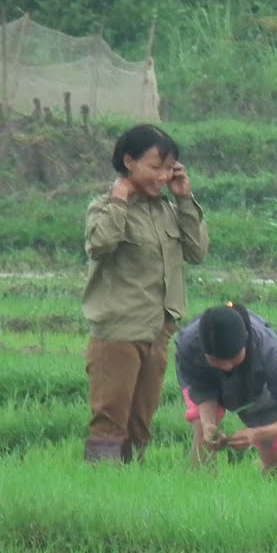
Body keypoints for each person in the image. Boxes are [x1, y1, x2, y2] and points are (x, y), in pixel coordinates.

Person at [82, 124, 208, 464]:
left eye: (170, 168)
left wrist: (184, 199)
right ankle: (101, 485)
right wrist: (119, 199)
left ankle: (132, 480)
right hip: (119, 331)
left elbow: (197, 252)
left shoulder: (169, 209)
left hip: (158, 331)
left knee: (141, 421)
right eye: (156, 167)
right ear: (129, 162)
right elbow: (100, 244)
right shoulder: (104, 207)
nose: (164, 176)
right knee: (110, 420)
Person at [176, 303, 277, 473]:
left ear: (246, 344)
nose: (226, 367)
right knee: (203, 430)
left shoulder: (269, 350)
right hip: (206, 380)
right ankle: (202, 488)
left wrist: (256, 434)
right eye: (217, 361)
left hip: (258, 386)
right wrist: (208, 424)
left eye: (233, 359)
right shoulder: (189, 343)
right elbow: (202, 390)